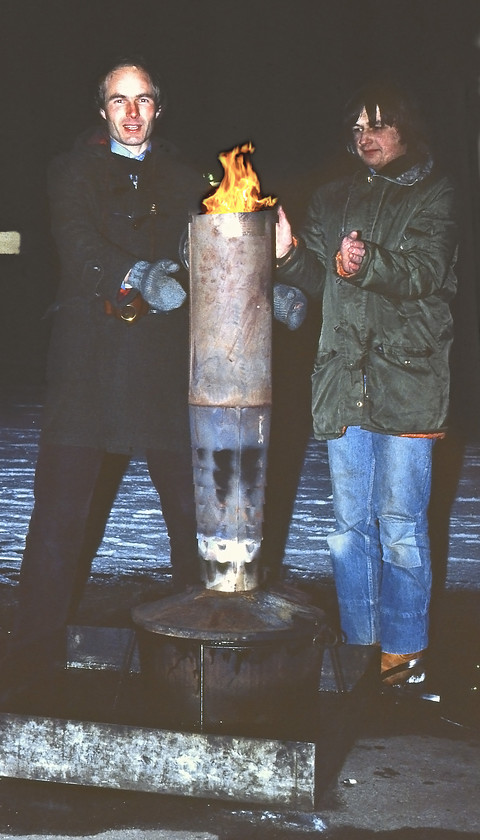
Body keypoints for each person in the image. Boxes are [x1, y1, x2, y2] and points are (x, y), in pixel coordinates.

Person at [11, 57, 208, 656]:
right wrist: (134, 273)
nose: (131, 113)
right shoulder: (70, 171)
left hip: (163, 367)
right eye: (119, 101)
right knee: (61, 517)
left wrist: (262, 286)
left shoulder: (186, 176)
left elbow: (209, 249)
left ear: (158, 107)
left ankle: (203, 647)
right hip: (88, 368)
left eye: (142, 100)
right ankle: (36, 650)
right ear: (102, 109)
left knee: (191, 517)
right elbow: (76, 244)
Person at [275, 82, 458, 693]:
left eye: (377, 125)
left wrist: (367, 262)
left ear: (405, 129)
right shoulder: (333, 198)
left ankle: (404, 653)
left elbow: (426, 273)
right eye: (356, 128)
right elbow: (318, 278)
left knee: (401, 524)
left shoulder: (437, 193)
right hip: (342, 383)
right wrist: (288, 252)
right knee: (349, 528)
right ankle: (359, 648)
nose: (365, 138)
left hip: (408, 382)